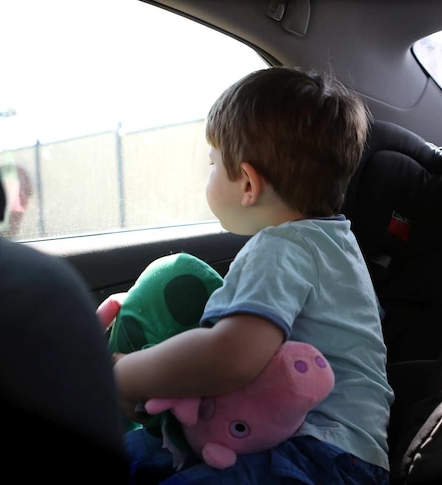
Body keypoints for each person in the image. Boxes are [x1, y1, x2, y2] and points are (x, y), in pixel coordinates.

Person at [111, 66, 394, 484]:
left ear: (248, 183)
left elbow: (230, 356)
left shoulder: (281, 248)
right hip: (345, 456)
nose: (207, 176)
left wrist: (123, 374)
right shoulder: (337, 245)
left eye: (212, 164)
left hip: (315, 456)